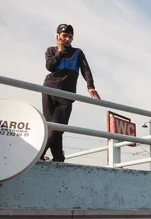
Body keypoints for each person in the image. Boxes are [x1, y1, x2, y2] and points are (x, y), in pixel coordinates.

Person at [42, 23, 100, 162]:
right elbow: (50, 67)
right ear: (58, 36)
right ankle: (58, 158)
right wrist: (60, 51)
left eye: (70, 36)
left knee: (58, 128)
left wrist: (90, 86)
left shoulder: (78, 52)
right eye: (64, 36)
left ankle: (39, 154)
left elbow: (86, 69)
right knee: (51, 126)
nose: (67, 39)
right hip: (48, 90)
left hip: (66, 94)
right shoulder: (51, 50)